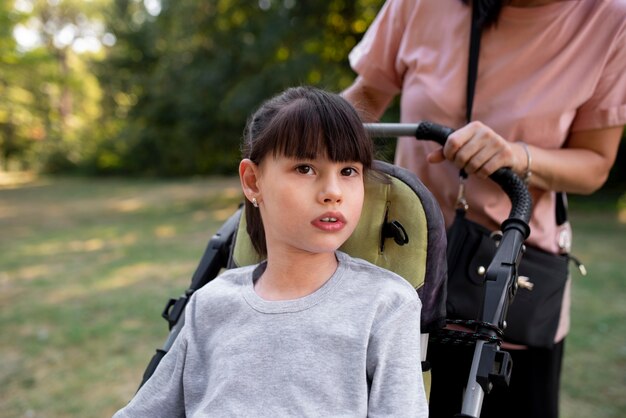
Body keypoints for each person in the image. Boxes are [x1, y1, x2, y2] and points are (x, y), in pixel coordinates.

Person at [342, 0, 626, 417]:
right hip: (407, 265)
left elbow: (595, 164)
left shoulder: (609, 21)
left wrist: (515, 155)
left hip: (510, 284)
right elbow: (367, 95)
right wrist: (300, 135)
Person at [112, 86, 429, 417]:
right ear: (252, 181)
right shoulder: (210, 305)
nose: (333, 192)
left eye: (348, 171)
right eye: (305, 168)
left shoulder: (385, 305)